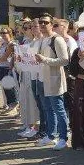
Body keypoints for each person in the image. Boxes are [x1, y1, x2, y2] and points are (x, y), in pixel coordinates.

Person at [35, 14, 70, 150]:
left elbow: (64, 60)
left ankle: (63, 138)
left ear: (51, 24)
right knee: (48, 109)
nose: (42, 25)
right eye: (41, 22)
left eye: (45, 22)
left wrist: (45, 59)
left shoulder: (57, 39)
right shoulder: (42, 39)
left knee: (59, 110)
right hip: (42, 79)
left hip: (54, 80)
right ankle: (51, 136)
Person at [15, 21, 40, 138]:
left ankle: (34, 126)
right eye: (24, 28)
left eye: (27, 28)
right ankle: (28, 125)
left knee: (32, 102)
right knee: (24, 100)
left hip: (33, 74)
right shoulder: (25, 42)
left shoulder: (37, 42)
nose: (25, 30)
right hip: (24, 73)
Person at [0, 26, 19, 114]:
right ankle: (9, 105)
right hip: (1, 67)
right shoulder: (3, 44)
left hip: (8, 68)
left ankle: (13, 106)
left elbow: (5, 57)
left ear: (10, 33)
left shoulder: (11, 44)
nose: (2, 35)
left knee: (10, 88)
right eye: (1, 33)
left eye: (4, 33)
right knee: (5, 88)